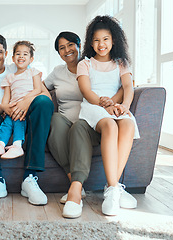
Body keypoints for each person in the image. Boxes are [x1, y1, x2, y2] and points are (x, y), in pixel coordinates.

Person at [44, 31, 134, 219]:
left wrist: (117, 104)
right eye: (62, 48)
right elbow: (44, 86)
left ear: (79, 46)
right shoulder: (60, 72)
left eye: (70, 45)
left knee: (96, 126)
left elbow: (125, 86)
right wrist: (40, 97)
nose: (67, 50)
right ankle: (76, 185)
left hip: (93, 119)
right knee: (56, 121)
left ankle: (112, 187)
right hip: (76, 116)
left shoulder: (98, 64)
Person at [0, 34, 54, 206]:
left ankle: (30, 178)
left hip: (24, 118)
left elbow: (45, 95)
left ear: (7, 54)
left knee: (44, 102)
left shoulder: (17, 69)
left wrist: (24, 103)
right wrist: (6, 108)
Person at [77, 15, 140, 216]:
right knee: (111, 126)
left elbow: (128, 86)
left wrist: (124, 106)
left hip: (116, 106)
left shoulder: (121, 62)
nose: (101, 44)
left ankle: (112, 187)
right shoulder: (85, 63)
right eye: (96, 40)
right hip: (93, 107)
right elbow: (86, 91)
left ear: (113, 40)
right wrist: (105, 106)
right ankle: (114, 189)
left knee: (128, 124)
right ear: (90, 43)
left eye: (105, 39)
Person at [0, 41, 42, 159]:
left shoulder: (33, 72)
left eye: (25, 54)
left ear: (31, 59)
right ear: (13, 58)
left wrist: (25, 100)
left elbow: (38, 89)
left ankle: (17, 145)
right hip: (14, 107)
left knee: (18, 117)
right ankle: (0, 144)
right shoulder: (9, 77)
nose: (21, 56)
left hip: (28, 107)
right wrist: (5, 108)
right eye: (18, 54)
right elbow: (6, 97)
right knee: (7, 121)